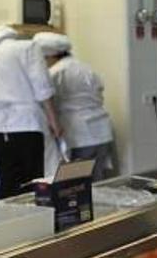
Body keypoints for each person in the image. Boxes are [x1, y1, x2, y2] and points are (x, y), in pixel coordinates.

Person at [0, 25, 63, 199]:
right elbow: (42, 87)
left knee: (7, 182)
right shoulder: (27, 47)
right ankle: (35, 221)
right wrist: (54, 121)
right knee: (33, 181)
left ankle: (10, 222)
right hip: (27, 125)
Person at [35, 32, 116, 181]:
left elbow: (48, 101)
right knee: (96, 181)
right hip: (101, 130)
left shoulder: (55, 73)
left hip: (79, 134)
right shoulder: (85, 68)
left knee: (77, 185)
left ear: (49, 56)